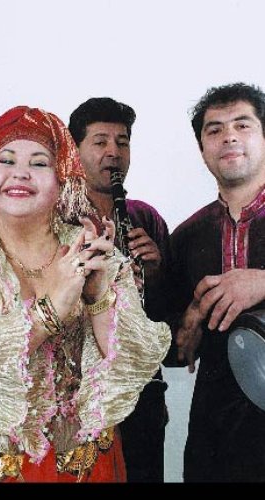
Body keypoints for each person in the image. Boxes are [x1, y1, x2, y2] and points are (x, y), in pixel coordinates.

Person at [0, 105, 171, 483]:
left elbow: (131, 361)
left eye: (39, 163)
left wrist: (98, 295)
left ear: (61, 179)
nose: (20, 173)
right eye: (6, 160)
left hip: (73, 456)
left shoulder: (92, 250)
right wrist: (51, 308)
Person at [166, 83, 265, 482]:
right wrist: (189, 315)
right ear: (202, 149)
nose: (229, 136)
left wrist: (262, 282)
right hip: (218, 434)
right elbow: (174, 350)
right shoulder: (187, 236)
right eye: (215, 129)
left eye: (243, 125)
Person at [68, 97, 170, 482]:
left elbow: (164, 314)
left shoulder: (145, 217)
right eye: (100, 142)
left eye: (122, 142)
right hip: (79, 391)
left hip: (141, 389)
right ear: (75, 151)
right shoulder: (59, 216)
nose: (113, 152)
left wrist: (154, 273)